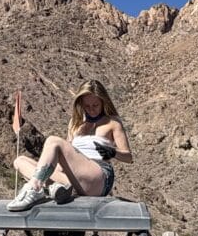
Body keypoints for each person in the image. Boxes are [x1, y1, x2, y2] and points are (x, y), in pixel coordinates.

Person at [8, 80, 133, 211]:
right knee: (19, 161)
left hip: (98, 175)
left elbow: (128, 157)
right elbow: (67, 154)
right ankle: (56, 187)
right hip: (73, 178)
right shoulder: (75, 123)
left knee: (54, 141)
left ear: (103, 102)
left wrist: (112, 152)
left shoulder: (112, 123)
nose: (91, 109)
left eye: (95, 105)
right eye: (87, 106)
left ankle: (35, 188)